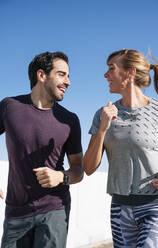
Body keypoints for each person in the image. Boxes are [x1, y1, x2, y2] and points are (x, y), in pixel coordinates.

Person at [0, 51, 84, 248]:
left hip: (54, 209)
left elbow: (79, 170)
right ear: (41, 75)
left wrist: (60, 177)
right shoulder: (9, 107)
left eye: (68, 76)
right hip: (16, 211)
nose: (68, 82)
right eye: (62, 74)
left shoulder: (69, 120)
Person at [83, 49, 158, 247]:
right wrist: (102, 129)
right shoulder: (102, 114)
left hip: (157, 206)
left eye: (111, 68)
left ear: (131, 72)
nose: (105, 74)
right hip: (120, 209)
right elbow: (88, 168)